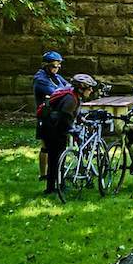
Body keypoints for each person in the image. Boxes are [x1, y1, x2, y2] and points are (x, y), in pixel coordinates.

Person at [40, 74, 97, 194]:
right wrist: (72, 129)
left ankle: (55, 186)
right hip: (54, 129)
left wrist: (81, 119)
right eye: (89, 88)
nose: (91, 90)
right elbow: (65, 117)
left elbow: (72, 113)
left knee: (55, 158)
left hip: (51, 126)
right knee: (57, 158)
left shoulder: (73, 95)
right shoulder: (71, 99)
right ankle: (55, 187)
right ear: (81, 88)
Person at [33, 51, 70, 181]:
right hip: (45, 115)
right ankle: (43, 175)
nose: (57, 68)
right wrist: (67, 92)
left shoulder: (57, 77)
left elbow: (68, 87)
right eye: (54, 66)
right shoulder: (40, 79)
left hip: (56, 115)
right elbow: (56, 93)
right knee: (46, 146)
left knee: (54, 146)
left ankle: (55, 173)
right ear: (46, 65)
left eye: (59, 66)